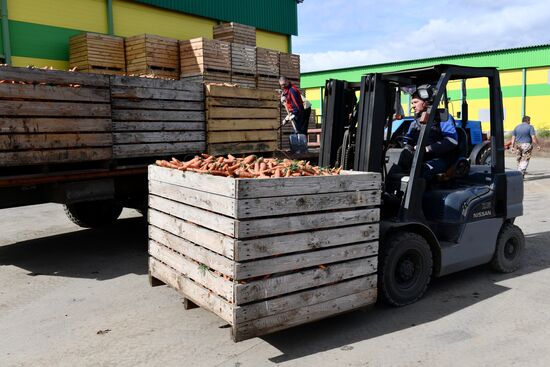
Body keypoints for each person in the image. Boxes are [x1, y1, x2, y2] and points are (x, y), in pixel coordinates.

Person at [403, 86, 459, 180]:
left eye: (416, 102)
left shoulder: (442, 118)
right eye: (412, 103)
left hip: (441, 158)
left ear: (425, 103)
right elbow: (407, 141)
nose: (412, 105)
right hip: (420, 158)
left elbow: (452, 141)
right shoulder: (415, 122)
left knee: (421, 170)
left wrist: (427, 149)